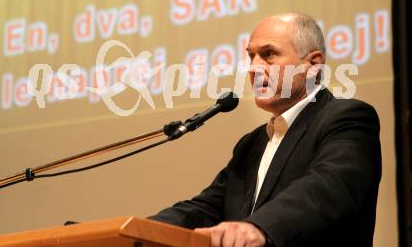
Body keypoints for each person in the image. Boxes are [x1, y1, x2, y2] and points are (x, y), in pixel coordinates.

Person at [149, 13, 381, 247]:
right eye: (251, 57)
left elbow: (328, 188)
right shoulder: (251, 144)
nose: (254, 68)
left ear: (312, 65)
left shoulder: (347, 118)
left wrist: (259, 227)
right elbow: (206, 207)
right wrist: (137, 229)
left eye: (269, 54)